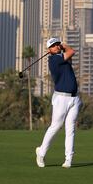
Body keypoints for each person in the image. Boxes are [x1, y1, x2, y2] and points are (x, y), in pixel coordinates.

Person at [35, 37, 80, 169]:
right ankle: (41, 153)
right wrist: (63, 45)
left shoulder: (62, 58)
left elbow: (70, 55)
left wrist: (62, 47)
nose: (56, 46)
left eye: (57, 44)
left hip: (74, 98)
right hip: (61, 98)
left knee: (70, 129)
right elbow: (72, 51)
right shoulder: (54, 59)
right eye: (53, 45)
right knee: (55, 127)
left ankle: (68, 159)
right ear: (49, 50)